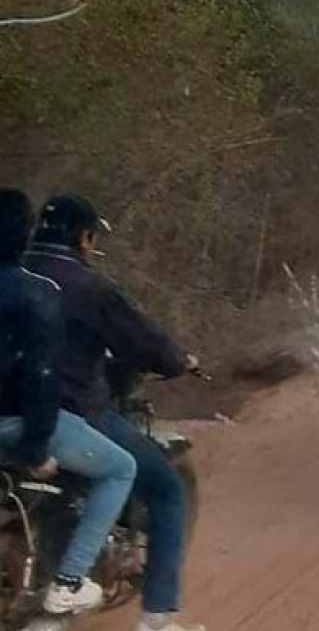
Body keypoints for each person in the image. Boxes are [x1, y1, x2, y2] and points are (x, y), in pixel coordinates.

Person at [23, 195, 204, 631]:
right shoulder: (87, 287)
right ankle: (157, 617)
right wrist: (180, 360)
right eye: (92, 237)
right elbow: (141, 340)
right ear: (84, 238)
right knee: (165, 489)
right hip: (71, 413)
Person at [0, 188, 137, 615]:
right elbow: (41, 379)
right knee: (121, 468)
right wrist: (37, 450)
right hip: (13, 424)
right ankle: (68, 582)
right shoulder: (35, 293)